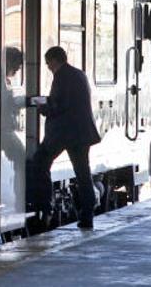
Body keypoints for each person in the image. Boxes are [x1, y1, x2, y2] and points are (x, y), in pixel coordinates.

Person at [28, 46, 102, 229]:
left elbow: (57, 106)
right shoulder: (79, 74)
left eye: (48, 63)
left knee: (40, 161)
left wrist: (41, 106)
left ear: (55, 60)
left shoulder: (61, 77)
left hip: (65, 133)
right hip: (81, 133)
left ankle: (45, 207)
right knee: (83, 174)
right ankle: (87, 216)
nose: (48, 67)